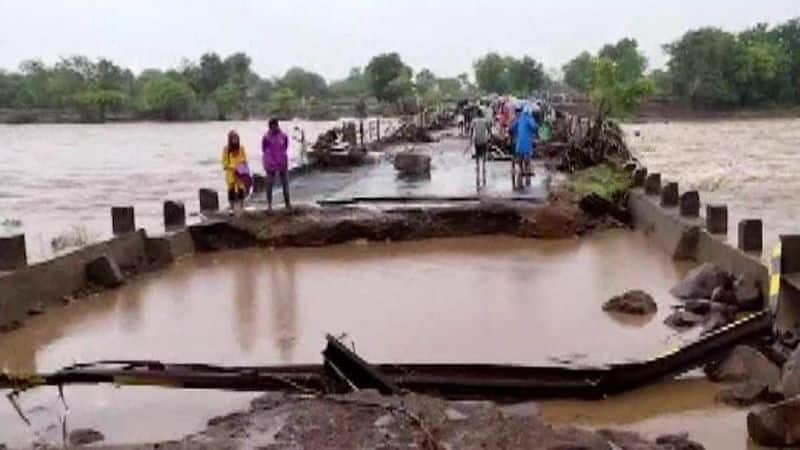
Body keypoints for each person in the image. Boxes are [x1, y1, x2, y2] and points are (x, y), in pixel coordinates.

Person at [262, 118, 291, 211]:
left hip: (282, 163)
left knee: (285, 185)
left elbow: (286, 146)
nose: (275, 127)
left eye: (276, 125)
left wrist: (281, 157)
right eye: (273, 126)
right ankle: (269, 205)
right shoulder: (266, 137)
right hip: (270, 163)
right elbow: (264, 149)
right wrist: (269, 161)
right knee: (269, 185)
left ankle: (288, 204)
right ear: (270, 127)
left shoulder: (283, 136)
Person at [509, 105, 538, 188]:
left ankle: (520, 173)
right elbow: (534, 127)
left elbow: (512, 128)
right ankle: (527, 174)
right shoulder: (530, 119)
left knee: (520, 159)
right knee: (527, 159)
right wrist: (536, 128)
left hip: (519, 143)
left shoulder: (519, 119)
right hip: (527, 143)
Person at [221, 130, 250, 212]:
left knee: (241, 189)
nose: (235, 140)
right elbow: (224, 163)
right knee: (231, 190)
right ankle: (231, 207)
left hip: (240, 172)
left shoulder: (241, 148)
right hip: (231, 173)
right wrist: (233, 167)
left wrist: (246, 170)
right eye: (233, 138)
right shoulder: (226, 149)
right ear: (230, 139)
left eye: (236, 138)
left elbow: (245, 160)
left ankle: (242, 206)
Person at [470, 109, 492, 188]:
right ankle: (483, 167)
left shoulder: (474, 121)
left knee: (477, 154)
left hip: (477, 140)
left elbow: (471, 131)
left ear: (477, 114)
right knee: (483, 154)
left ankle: (478, 167)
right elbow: (489, 130)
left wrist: (470, 139)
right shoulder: (485, 121)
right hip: (484, 140)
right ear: (482, 114)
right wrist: (489, 137)